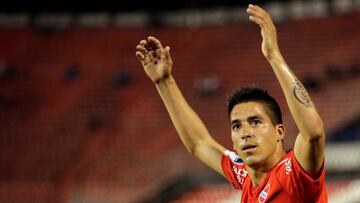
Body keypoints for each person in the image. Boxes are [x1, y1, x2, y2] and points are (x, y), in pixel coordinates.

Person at [135, 4, 327, 203]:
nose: (245, 132)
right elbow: (199, 142)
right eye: (237, 125)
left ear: (279, 132)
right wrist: (164, 82)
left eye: (255, 122)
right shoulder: (244, 174)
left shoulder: (294, 175)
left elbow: (313, 132)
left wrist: (273, 56)